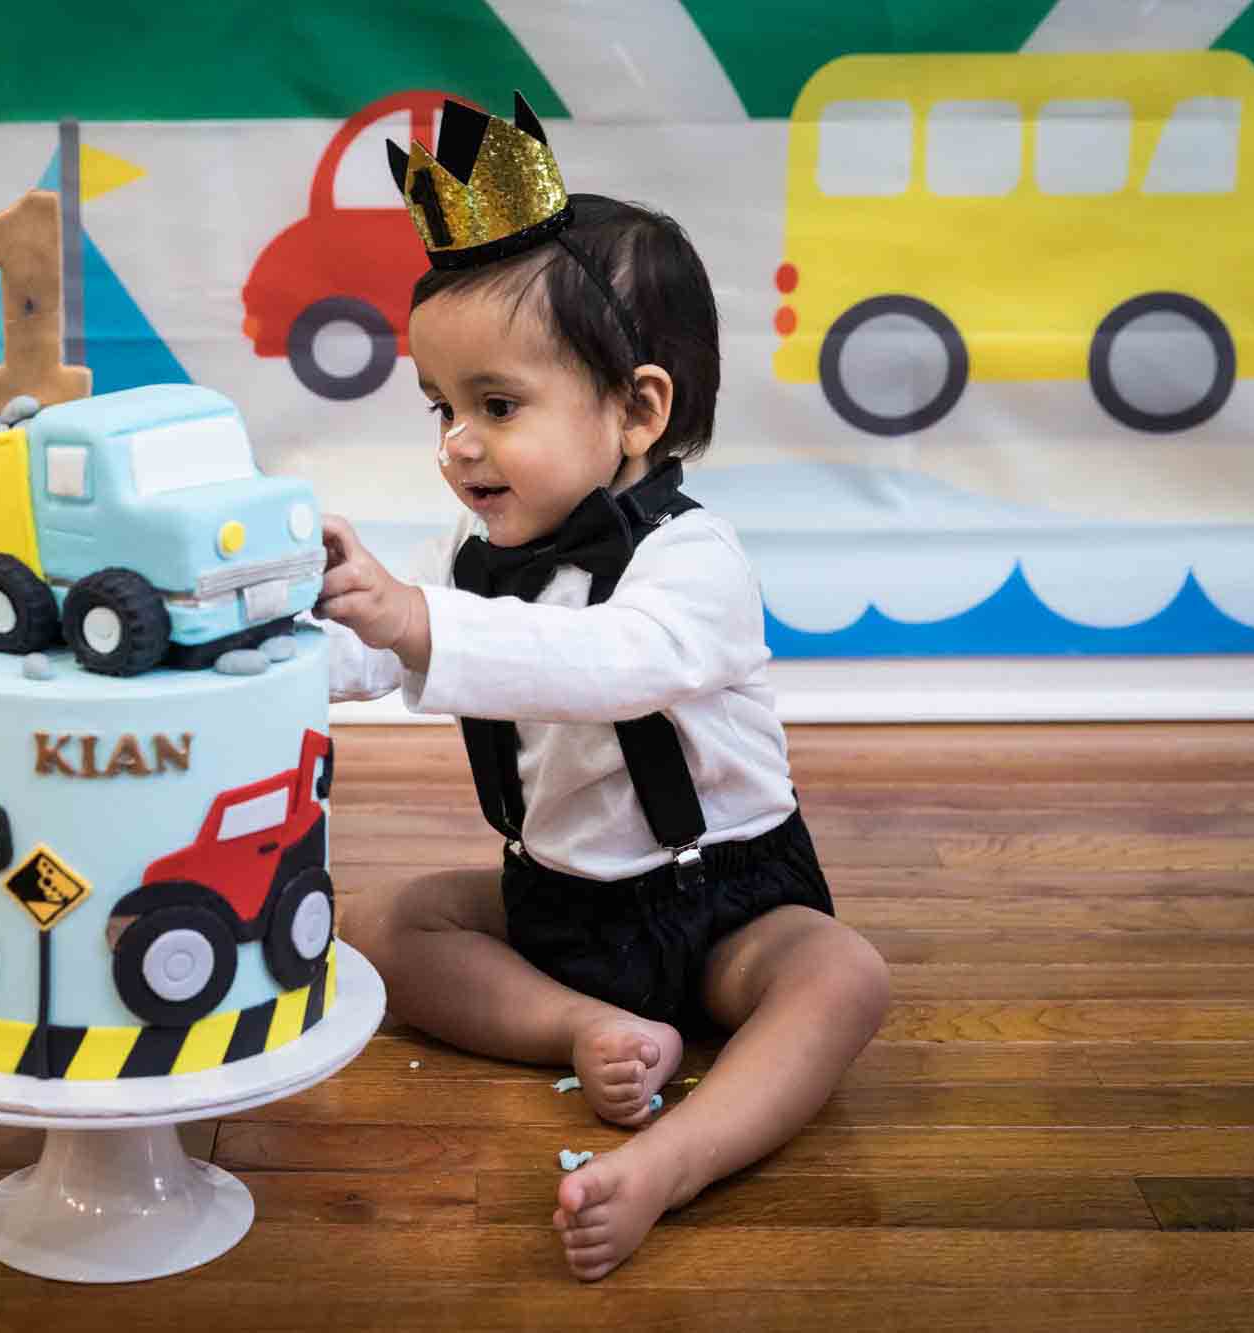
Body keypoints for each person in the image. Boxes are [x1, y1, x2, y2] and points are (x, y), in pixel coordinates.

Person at [313, 94, 891, 1282]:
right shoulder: (463, 567)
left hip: (722, 904)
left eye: (496, 405)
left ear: (637, 409)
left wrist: (422, 621)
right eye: (441, 407)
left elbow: (609, 667)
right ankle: (577, 1025)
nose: (455, 445)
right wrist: (272, 633)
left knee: (838, 974)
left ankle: (675, 1157)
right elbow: (369, 656)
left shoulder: (692, 563)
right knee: (375, 921)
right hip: (559, 906)